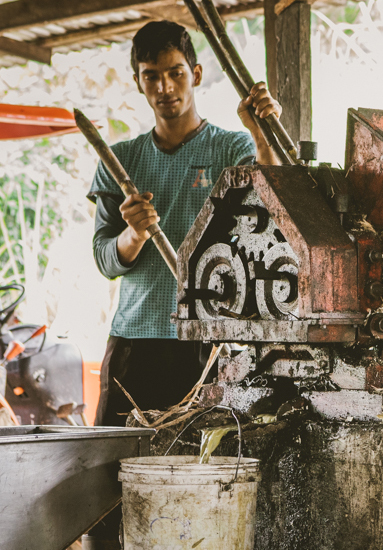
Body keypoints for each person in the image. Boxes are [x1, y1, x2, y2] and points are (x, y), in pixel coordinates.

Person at [84, 20, 281, 549]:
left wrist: (263, 132)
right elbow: (105, 258)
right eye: (152, 76)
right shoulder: (120, 160)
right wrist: (133, 234)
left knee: (197, 475)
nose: (165, 88)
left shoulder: (230, 147)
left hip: (203, 343)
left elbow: (273, 203)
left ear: (195, 74)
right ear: (138, 82)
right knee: (111, 479)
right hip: (133, 344)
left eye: (175, 73)